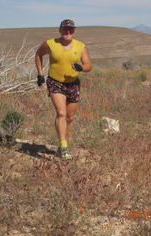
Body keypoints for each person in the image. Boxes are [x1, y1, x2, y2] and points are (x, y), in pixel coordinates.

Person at [35, 19, 92, 160]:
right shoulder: (50, 44)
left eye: (71, 29)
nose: (68, 32)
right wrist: (40, 74)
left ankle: (63, 146)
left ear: (74, 31)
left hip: (73, 84)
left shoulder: (81, 46)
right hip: (55, 82)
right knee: (61, 113)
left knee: (70, 117)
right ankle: (63, 146)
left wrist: (81, 68)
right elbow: (38, 55)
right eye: (65, 29)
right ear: (60, 30)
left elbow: (88, 65)